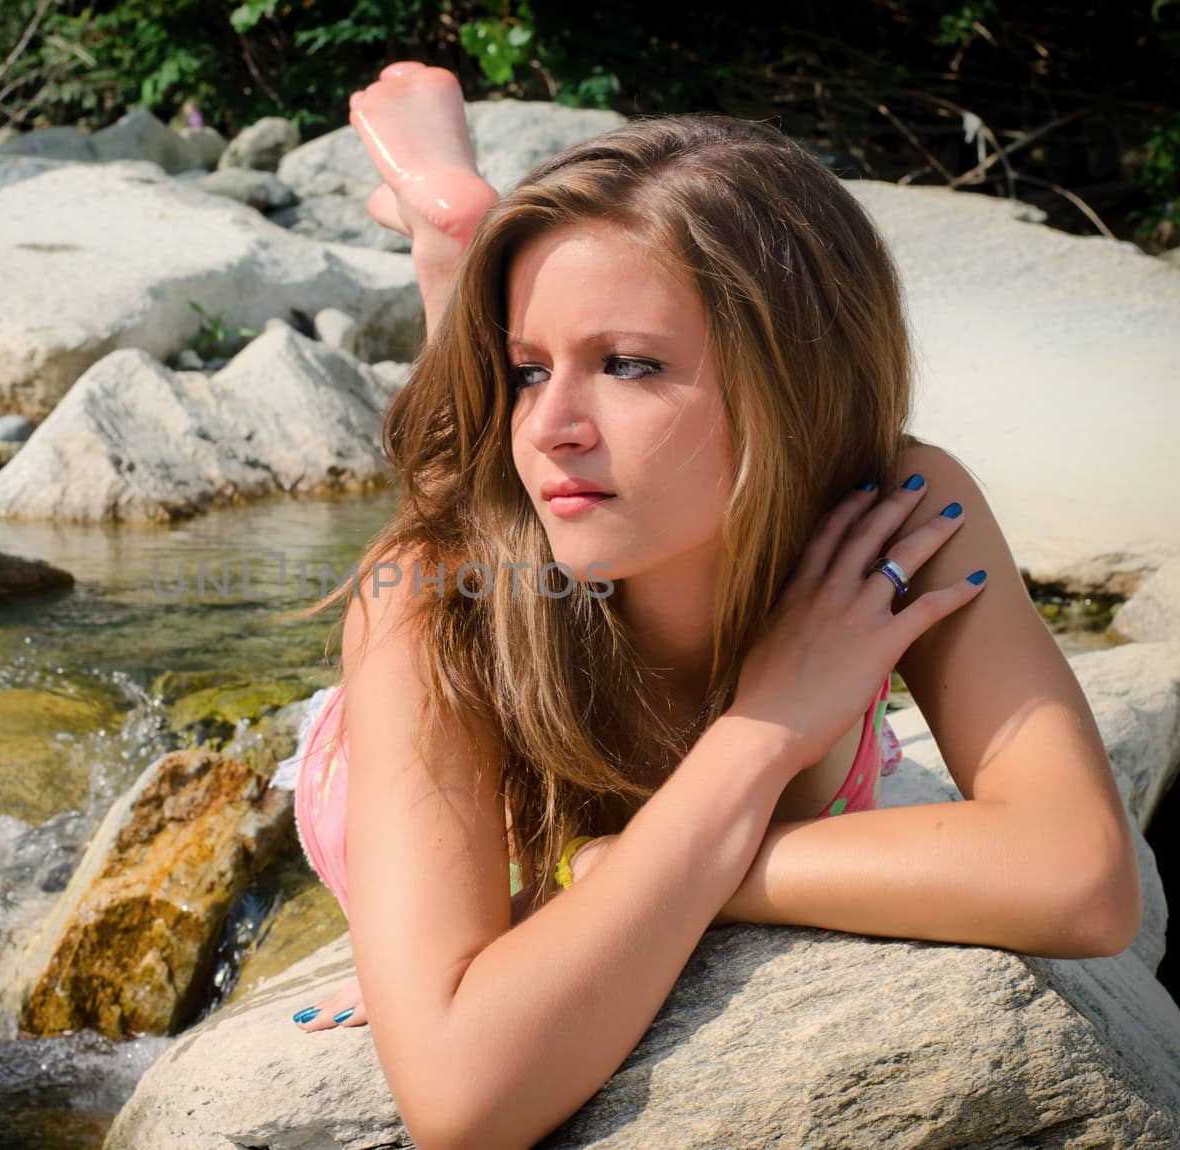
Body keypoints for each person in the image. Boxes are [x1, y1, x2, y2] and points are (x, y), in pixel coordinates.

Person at [266, 61, 1143, 1150]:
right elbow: (459, 1103)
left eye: (630, 364)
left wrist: (608, 879)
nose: (550, 425)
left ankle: (466, 261)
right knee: (464, 481)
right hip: (472, 628)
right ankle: (456, 248)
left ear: (794, 379)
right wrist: (760, 733)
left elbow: (1081, 879)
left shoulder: (895, 512)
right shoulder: (425, 604)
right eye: (529, 366)